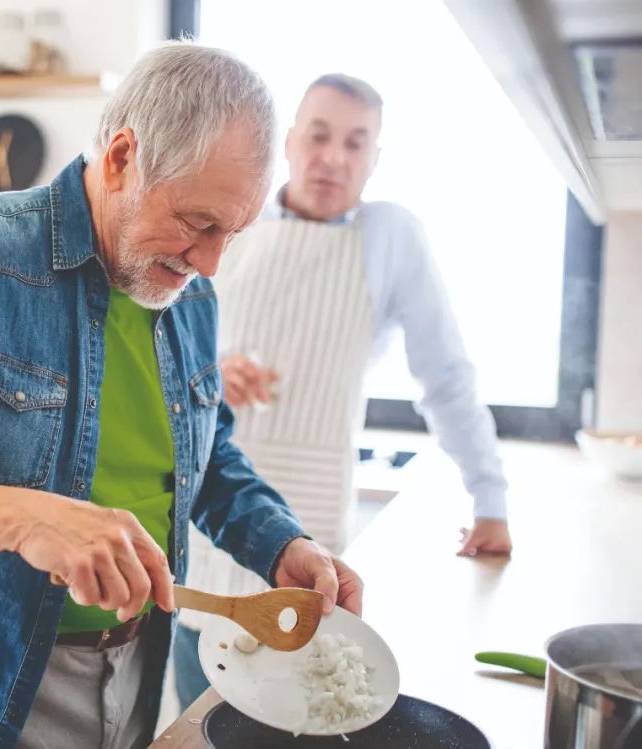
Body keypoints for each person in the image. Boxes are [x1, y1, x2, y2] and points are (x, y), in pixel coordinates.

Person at [0, 43, 364, 749]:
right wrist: (12, 516)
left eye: (231, 234)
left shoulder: (189, 292)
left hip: (132, 677)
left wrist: (282, 542)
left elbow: (203, 462)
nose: (210, 262)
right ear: (121, 157)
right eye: (198, 223)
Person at [172, 73, 513, 710]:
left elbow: (444, 375)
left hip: (314, 514)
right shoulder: (231, 220)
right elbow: (163, 343)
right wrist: (211, 372)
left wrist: (489, 496)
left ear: (375, 159)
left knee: (305, 694)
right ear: (290, 142)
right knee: (205, 708)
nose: (334, 157)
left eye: (356, 143)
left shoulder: (392, 237)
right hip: (210, 507)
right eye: (320, 136)